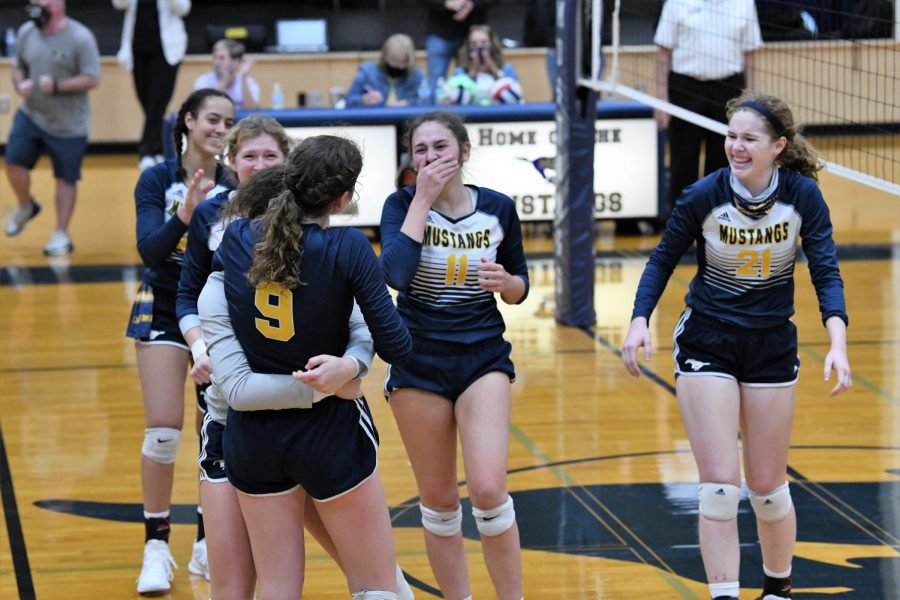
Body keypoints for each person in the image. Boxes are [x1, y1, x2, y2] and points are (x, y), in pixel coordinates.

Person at [620, 92, 852, 600]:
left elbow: (827, 271)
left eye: (749, 139)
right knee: (721, 489)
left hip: (770, 343)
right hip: (709, 338)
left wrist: (838, 343)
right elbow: (661, 260)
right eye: (731, 136)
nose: (736, 147)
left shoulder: (802, 197)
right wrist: (639, 320)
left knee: (768, 490)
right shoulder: (703, 195)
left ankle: (776, 589)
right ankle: (723, 594)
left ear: (778, 146)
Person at [178, 117, 416, 599]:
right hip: (328, 429)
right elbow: (397, 346)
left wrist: (349, 364)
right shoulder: (346, 246)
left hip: (254, 441)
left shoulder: (237, 240)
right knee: (377, 586)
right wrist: (347, 373)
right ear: (342, 198)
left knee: (279, 589)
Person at [380, 110, 529, 600]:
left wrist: (507, 283)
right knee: (440, 500)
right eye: (420, 150)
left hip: (481, 356)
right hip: (417, 360)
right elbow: (395, 276)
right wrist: (422, 199)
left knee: (488, 490)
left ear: (464, 152)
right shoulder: (400, 203)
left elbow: (519, 285)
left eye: (440, 147)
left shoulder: (499, 208)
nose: (430, 158)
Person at [126, 88, 235, 595]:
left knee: (214, 433)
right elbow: (149, 249)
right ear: (188, 121)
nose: (221, 128)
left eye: (229, 121)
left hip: (218, 313)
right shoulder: (156, 179)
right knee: (165, 431)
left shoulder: (237, 183)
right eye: (212, 118)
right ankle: (156, 547)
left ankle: (207, 542)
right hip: (166, 305)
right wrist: (185, 216)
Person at [4, 0, 100, 255]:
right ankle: (26, 206)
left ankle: (61, 233)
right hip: (32, 114)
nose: (36, 6)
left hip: (69, 124)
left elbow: (92, 78)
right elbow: (18, 67)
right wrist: (20, 82)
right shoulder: (27, 32)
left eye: (42, 2)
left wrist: (58, 85)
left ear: (58, 4)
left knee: (65, 178)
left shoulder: (81, 37)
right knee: (13, 163)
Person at [654, 0, 763, 222]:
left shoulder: (744, 4)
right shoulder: (676, 3)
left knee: (724, 163)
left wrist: (750, 102)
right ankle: (681, 226)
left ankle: (719, 224)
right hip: (685, 88)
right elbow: (663, 53)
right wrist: (661, 99)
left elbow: (750, 56)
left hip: (728, 91)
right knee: (683, 162)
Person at [112, 0, 190, 171]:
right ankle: (158, 149)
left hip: (166, 51)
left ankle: (146, 151)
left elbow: (183, 8)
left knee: (157, 102)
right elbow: (119, 4)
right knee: (147, 103)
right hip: (138, 48)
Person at [421, 0, 494, 98]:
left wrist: (473, 4)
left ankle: (473, 113)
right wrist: (445, 3)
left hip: (474, 34)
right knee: (435, 84)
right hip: (440, 30)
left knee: (476, 81)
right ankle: (434, 113)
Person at [440, 24, 522, 106]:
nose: (479, 46)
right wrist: (473, 69)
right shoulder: (460, 72)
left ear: (492, 43)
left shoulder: (507, 68)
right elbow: (457, 98)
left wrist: (491, 65)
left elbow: (514, 95)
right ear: (469, 46)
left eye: (484, 42)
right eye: (474, 43)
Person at [345, 33, 428, 108]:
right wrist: (363, 100)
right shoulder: (367, 72)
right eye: (393, 62)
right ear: (384, 57)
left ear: (409, 61)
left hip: (407, 122)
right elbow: (348, 101)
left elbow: (426, 102)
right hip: (375, 121)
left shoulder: (416, 75)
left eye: (401, 64)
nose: (396, 67)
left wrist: (409, 103)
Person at [193, 38, 260, 110]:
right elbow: (202, 107)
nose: (216, 63)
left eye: (222, 58)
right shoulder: (203, 81)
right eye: (215, 58)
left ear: (236, 61)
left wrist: (243, 78)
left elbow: (250, 110)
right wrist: (224, 82)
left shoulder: (249, 82)